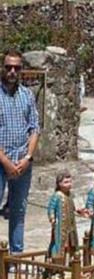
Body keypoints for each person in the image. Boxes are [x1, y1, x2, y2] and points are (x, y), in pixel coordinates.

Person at [0, 50, 40, 257]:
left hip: (23, 162)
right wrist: (5, 162)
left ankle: (16, 256)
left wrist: (27, 158)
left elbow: (34, 128)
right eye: (8, 67)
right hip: (1, 161)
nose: (12, 71)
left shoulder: (27, 95)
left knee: (18, 210)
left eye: (16, 67)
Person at [47, 171, 88, 262]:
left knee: (71, 245)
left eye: (70, 182)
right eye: (66, 182)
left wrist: (82, 211)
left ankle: (70, 265)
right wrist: (52, 218)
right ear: (59, 184)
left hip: (71, 226)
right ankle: (56, 268)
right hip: (60, 226)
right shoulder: (57, 196)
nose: (69, 184)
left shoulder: (71, 195)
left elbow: (77, 207)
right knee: (59, 245)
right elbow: (51, 208)